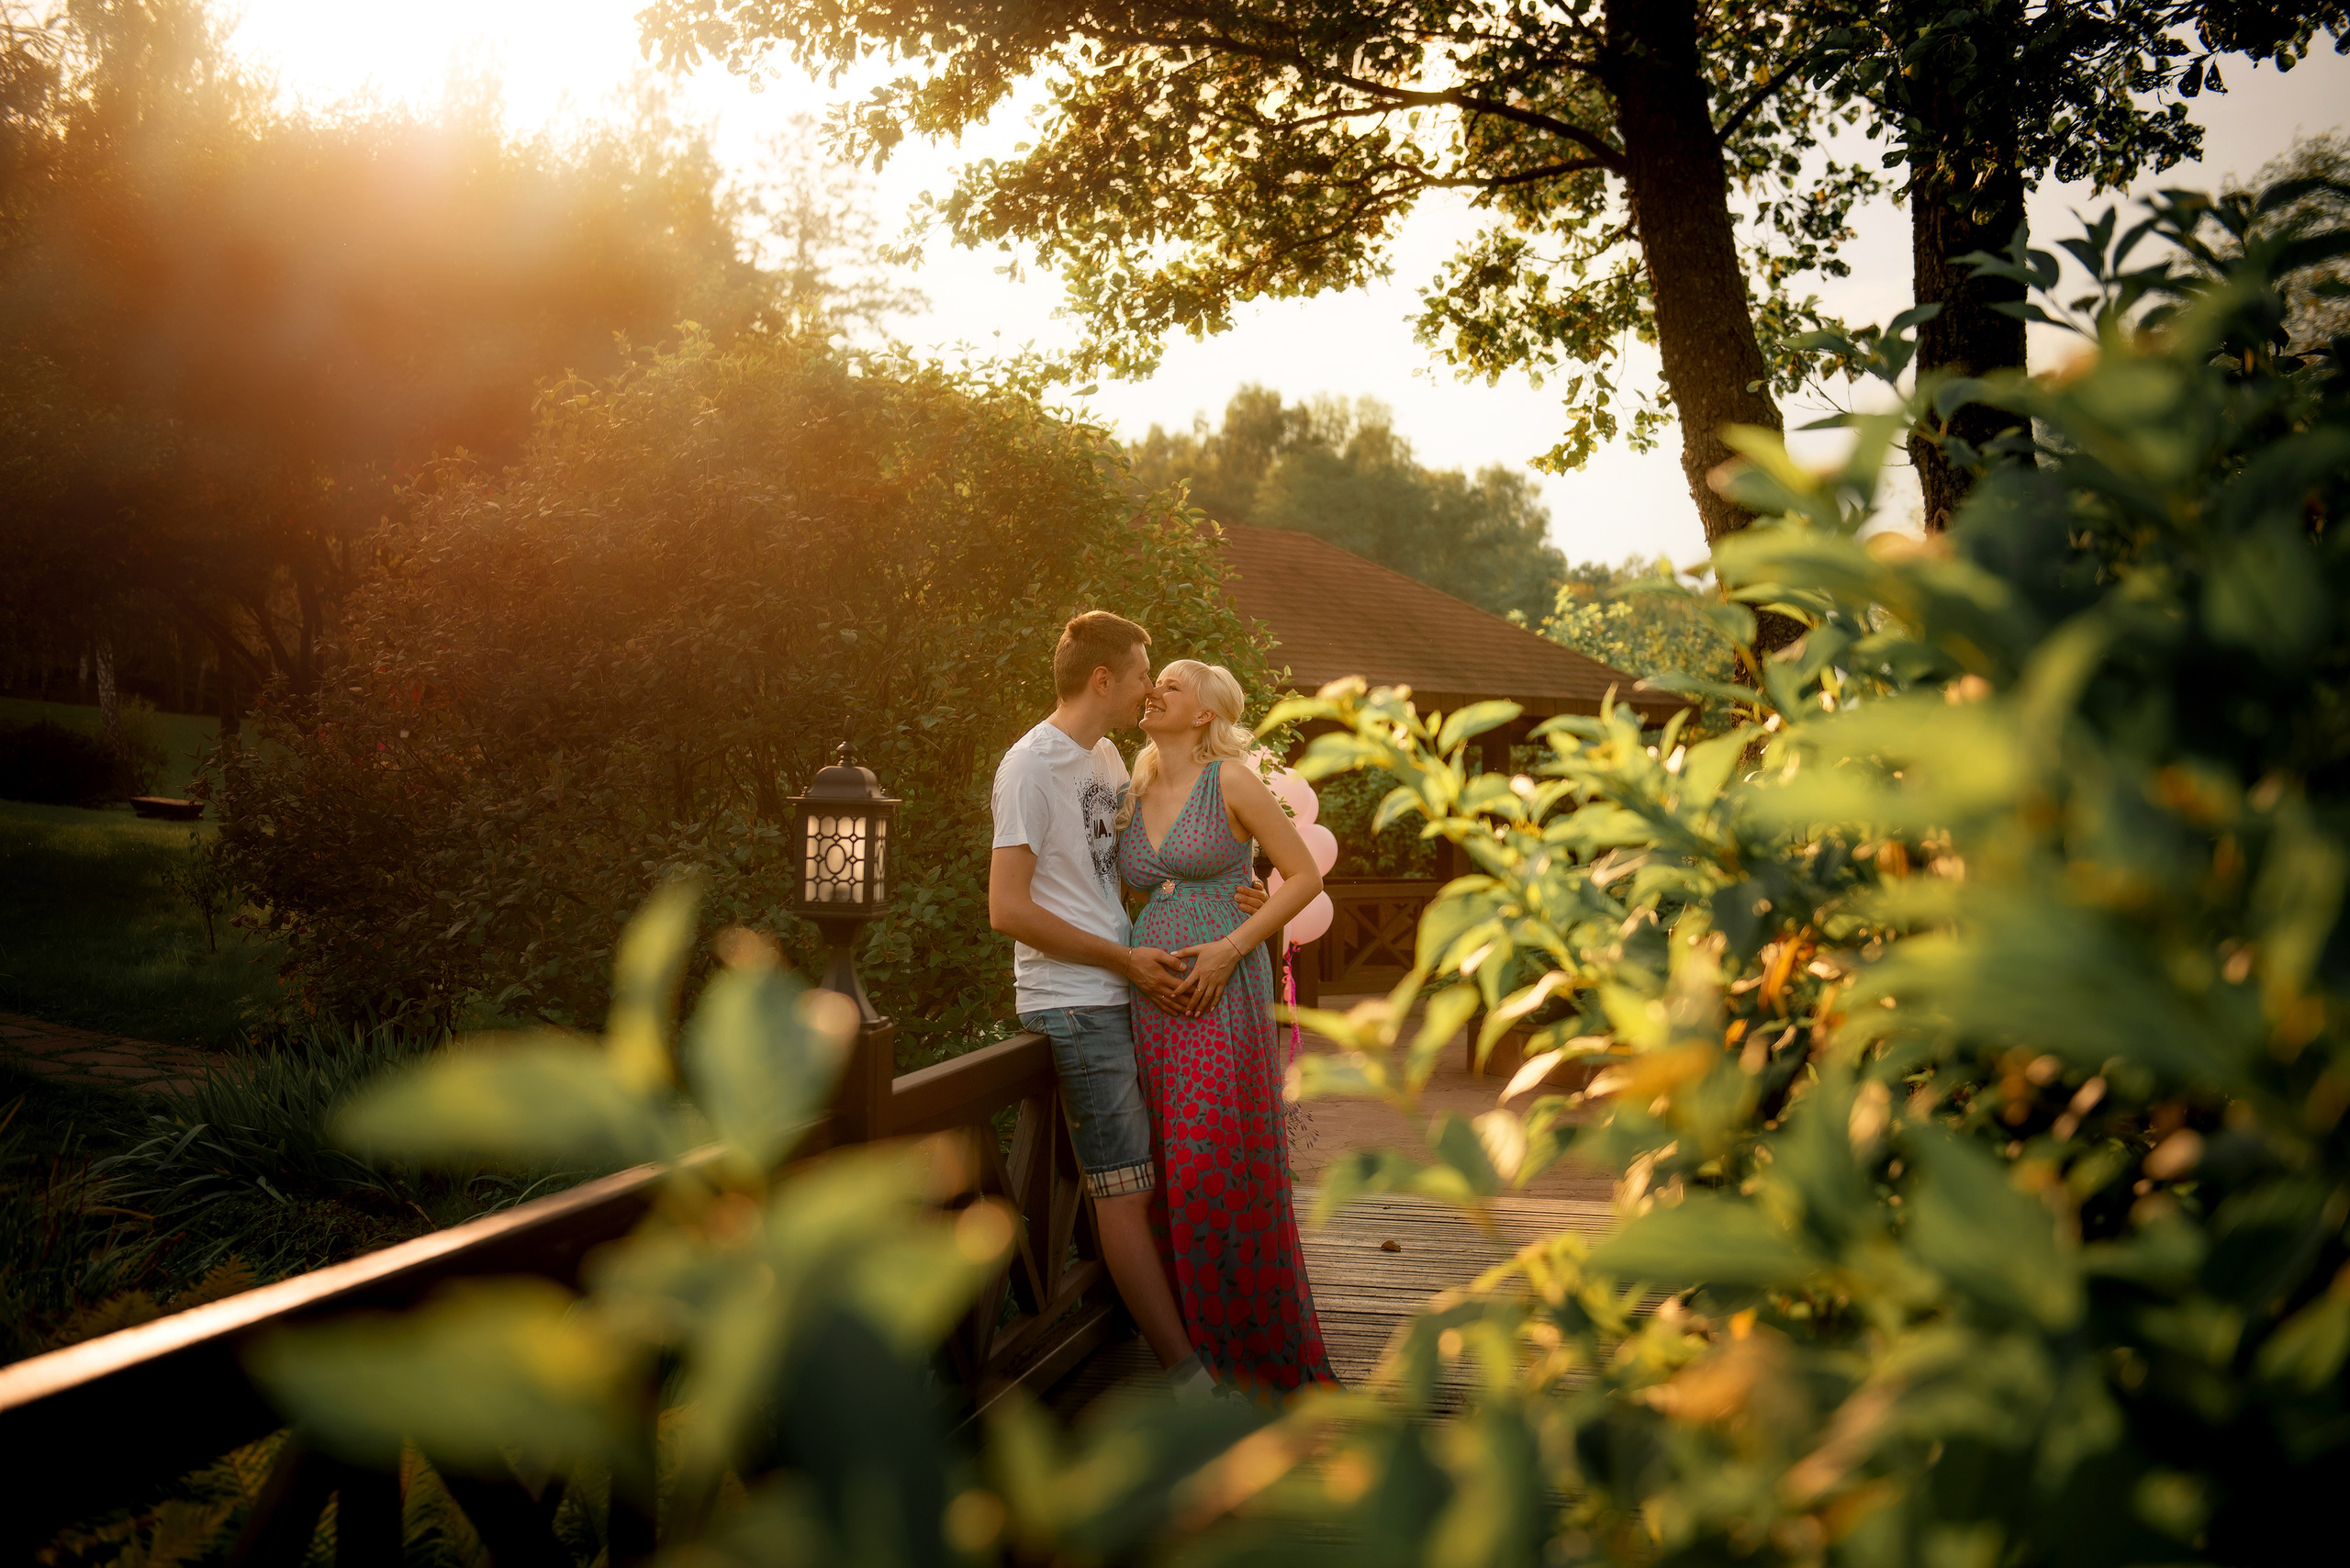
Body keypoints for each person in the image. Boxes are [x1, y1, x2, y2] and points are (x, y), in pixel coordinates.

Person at [987, 611, 1253, 1396]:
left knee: (1158, 1175)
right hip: (1075, 1000)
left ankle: (1205, 1344)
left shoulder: (1106, 757)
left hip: (1129, 986)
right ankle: (1189, 1381)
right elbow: (1007, 908)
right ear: (1103, 679)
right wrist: (1121, 960)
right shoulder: (1029, 767)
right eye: (1143, 673)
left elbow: (1136, 866)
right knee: (1125, 1193)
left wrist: (1241, 891)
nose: (1150, 686)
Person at [1118, 658, 1339, 1397]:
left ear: (1205, 713)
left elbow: (1304, 876)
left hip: (1223, 982)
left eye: (1172, 685)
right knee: (1172, 1162)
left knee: (1216, 1159)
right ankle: (1196, 1357)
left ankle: (1248, 1353)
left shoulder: (1232, 782)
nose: (1155, 690)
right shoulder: (1133, 787)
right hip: (1153, 999)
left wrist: (1232, 944)